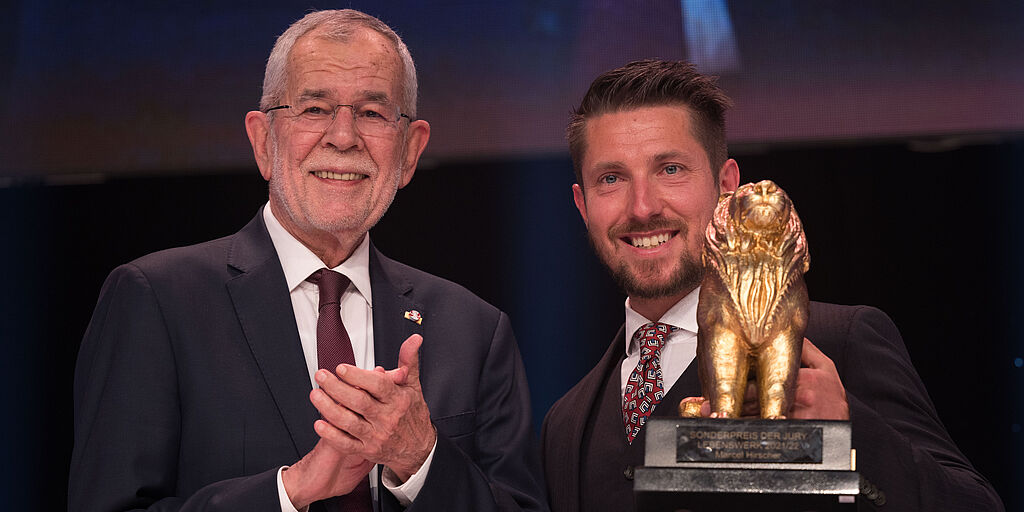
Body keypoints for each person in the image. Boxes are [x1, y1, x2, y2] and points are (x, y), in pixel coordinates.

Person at [69, 9, 545, 512]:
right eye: (314, 109)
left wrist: (421, 459)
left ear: (409, 152)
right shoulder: (157, 300)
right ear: (262, 141)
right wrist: (289, 491)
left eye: (372, 114)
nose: (343, 137)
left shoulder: (473, 329)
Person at [541, 60, 1003, 512]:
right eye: (611, 178)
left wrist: (852, 433)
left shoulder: (838, 340)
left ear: (727, 186)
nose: (642, 207)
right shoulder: (564, 424)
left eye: (670, 169)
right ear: (583, 205)